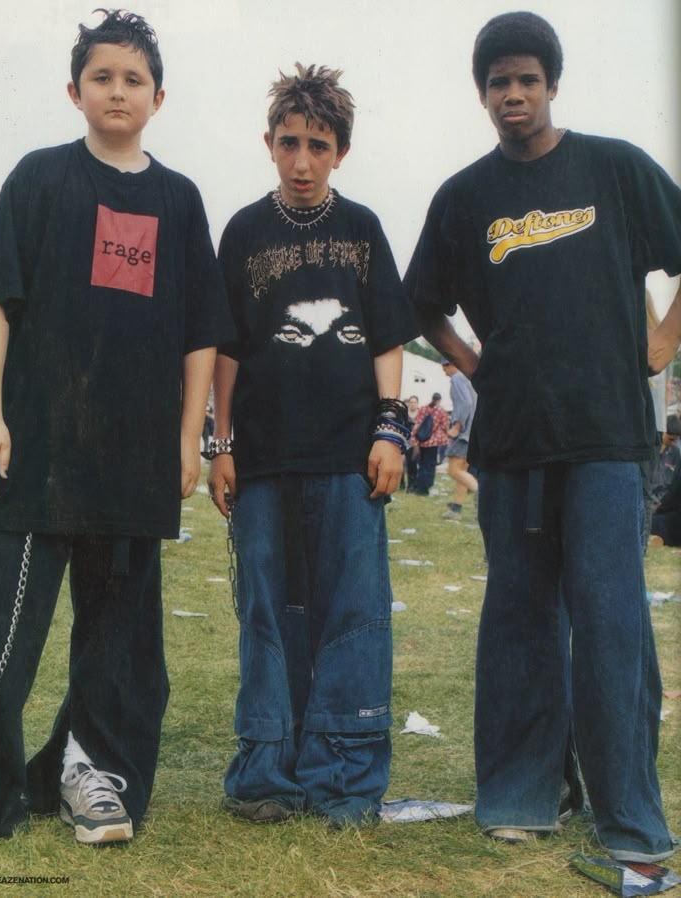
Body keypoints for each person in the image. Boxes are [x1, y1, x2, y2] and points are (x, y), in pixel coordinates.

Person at [0, 9, 233, 857]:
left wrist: (191, 437)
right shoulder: (39, 179)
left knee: (121, 648)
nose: (117, 91)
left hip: (135, 463)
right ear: (75, 91)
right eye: (102, 77)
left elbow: (199, 333)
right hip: (36, 454)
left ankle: (91, 775)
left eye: (133, 79)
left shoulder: (180, 200)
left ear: (159, 97)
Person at [405, 11, 681, 862]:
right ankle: (523, 792)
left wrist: (663, 339)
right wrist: (475, 363)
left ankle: (627, 813)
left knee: (609, 616)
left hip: (606, 437)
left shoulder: (616, 168)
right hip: (516, 439)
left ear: (551, 84)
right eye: (498, 82)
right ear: (482, 94)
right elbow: (417, 305)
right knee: (521, 615)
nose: (513, 94)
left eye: (527, 79)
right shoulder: (465, 196)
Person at [208, 63, 418, 828]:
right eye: (289, 143)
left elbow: (388, 338)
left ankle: (343, 779)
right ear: (269, 144)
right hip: (262, 457)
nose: (302, 161)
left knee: (352, 616)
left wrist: (391, 427)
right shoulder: (242, 231)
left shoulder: (361, 230)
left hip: (349, 458)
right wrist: (219, 443)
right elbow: (226, 350)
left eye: (318, 145)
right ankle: (266, 773)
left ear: (341, 152)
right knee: (267, 614)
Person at [441, 360, 478, 519]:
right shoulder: (469, 378)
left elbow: (465, 404)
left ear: (451, 364)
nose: (445, 372)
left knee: (453, 470)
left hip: (463, 433)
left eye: (444, 367)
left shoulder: (457, 378)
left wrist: (456, 427)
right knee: (462, 471)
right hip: (473, 432)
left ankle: (482, 495)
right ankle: (456, 508)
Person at [410, 392, 449, 495]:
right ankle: (425, 488)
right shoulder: (441, 411)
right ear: (439, 400)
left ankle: (419, 486)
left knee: (422, 464)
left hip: (422, 441)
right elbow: (445, 426)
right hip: (433, 442)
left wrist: (415, 440)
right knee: (430, 465)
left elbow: (417, 424)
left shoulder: (423, 409)